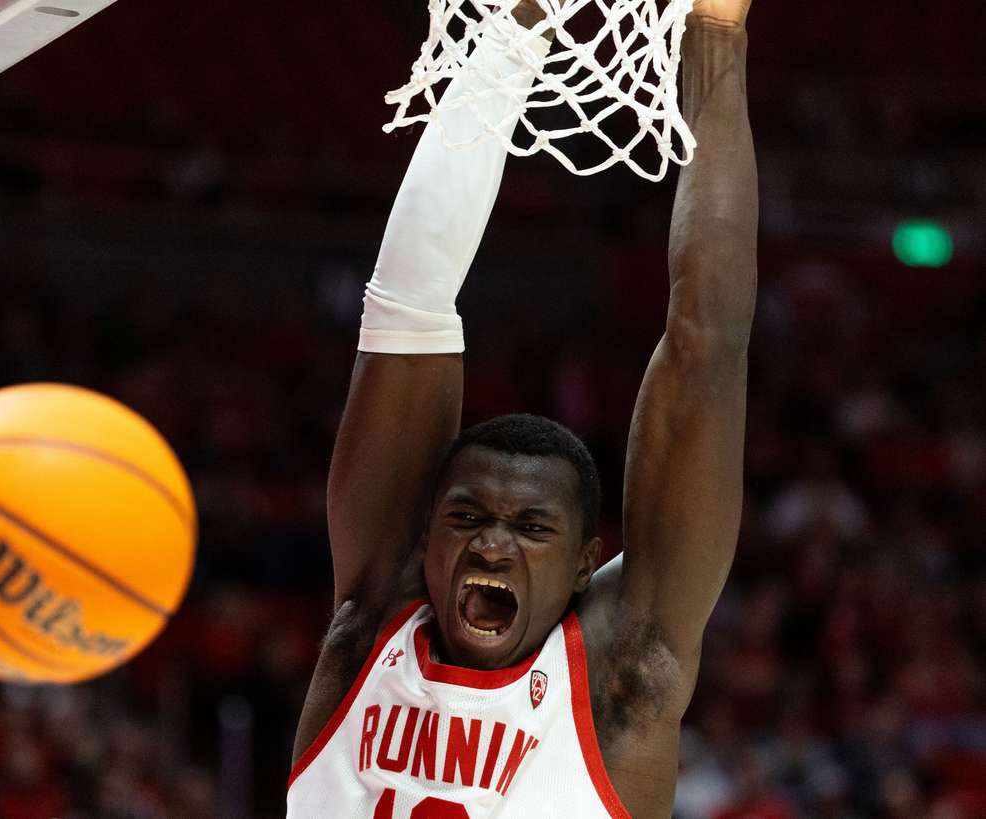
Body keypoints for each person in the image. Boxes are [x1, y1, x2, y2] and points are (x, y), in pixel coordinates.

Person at [287, 0, 758, 814]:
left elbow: (704, 345)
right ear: (425, 533)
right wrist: (518, 30)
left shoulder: (623, 680)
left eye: (532, 527)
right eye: (466, 517)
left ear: (585, 563)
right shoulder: (373, 616)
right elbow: (406, 305)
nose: (493, 544)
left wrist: (717, 39)